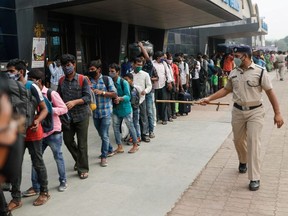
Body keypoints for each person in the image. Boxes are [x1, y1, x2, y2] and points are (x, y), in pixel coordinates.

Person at [200, 45, 284, 191]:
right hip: (238, 111)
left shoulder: (260, 71)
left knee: (253, 142)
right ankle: (243, 160)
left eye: (237, 56)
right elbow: (226, 90)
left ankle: (254, 177)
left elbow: (270, 92)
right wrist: (209, 98)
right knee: (238, 140)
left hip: (255, 111)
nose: (234, 59)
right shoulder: (234, 72)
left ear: (246, 56)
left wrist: (277, 113)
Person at [6, 59, 49, 209]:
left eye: (11, 71)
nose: (8, 75)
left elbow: (44, 109)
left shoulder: (32, 87)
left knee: (37, 163)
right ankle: (16, 198)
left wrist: (37, 121)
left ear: (21, 72)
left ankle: (44, 192)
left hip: (32, 131)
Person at [22, 69, 68, 198]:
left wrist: (48, 109)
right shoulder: (29, 93)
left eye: (31, 79)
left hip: (54, 132)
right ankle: (35, 186)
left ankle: (63, 181)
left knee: (58, 157)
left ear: (39, 81)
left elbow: (63, 108)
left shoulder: (50, 93)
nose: (29, 82)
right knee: (36, 160)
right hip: (40, 133)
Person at [57, 54, 91, 179]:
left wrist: (75, 102)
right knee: (68, 141)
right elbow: (58, 98)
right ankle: (79, 159)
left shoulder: (83, 79)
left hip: (82, 115)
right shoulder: (61, 81)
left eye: (68, 65)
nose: (66, 68)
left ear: (74, 64)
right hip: (67, 118)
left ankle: (83, 168)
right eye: (64, 66)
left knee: (82, 144)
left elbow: (88, 97)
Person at [87, 60, 117, 167]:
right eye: (89, 69)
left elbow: (114, 94)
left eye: (92, 69)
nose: (90, 71)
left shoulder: (106, 79)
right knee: (101, 134)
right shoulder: (89, 81)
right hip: (95, 113)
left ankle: (104, 156)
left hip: (106, 112)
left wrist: (102, 92)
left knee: (104, 134)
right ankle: (109, 149)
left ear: (98, 69)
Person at [109, 63, 139, 154]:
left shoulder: (123, 82)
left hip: (125, 108)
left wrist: (120, 98)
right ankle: (119, 146)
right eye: (109, 71)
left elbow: (128, 96)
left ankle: (135, 145)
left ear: (117, 72)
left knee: (130, 126)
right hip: (116, 109)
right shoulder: (109, 82)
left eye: (113, 71)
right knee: (115, 127)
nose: (110, 73)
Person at [131, 58, 152, 142]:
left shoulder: (145, 74)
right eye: (137, 64)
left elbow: (149, 86)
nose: (139, 66)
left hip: (142, 98)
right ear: (133, 64)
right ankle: (134, 135)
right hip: (132, 99)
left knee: (143, 116)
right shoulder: (130, 74)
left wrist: (145, 91)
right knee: (133, 118)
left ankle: (145, 134)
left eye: (141, 65)